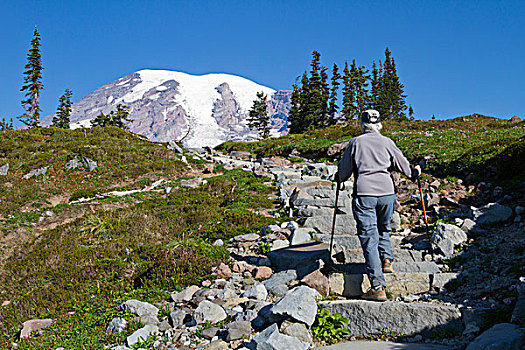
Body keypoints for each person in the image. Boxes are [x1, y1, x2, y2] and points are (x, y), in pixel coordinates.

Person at [335, 109, 421, 302]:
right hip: (387, 193)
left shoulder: (355, 142)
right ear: (380, 124)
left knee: (369, 238)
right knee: (384, 227)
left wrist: (337, 177)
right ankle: (387, 260)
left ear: (362, 124)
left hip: (365, 193)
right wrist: (415, 171)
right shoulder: (388, 142)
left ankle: (377, 286)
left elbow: (343, 173)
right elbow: (405, 168)